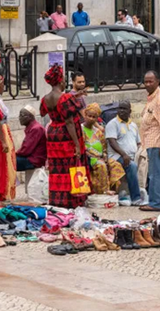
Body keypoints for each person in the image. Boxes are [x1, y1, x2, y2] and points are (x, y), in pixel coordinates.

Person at [40, 65, 86, 207]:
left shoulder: (46, 98)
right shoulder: (64, 97)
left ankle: (57, 199)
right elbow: (69, 122)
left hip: (53, 135)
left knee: (56, 169)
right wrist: (77, 145)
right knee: (70, 167)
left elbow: (43, 113)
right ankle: (71, 200)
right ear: (61, 81)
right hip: (66, 136)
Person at [139, 71, 160, 212]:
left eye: (150, 81)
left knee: (155, 174)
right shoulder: (153, 97)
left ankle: (155, 203)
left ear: (157, 81)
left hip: (157, 143)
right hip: (154, 141)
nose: (147, 84)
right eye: (145, 81)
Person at [105, 101, 143, 206]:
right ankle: (136, 198)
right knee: (132, 166)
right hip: (117, 156)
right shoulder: (112, 124)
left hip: (132, 156)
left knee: (149, 162)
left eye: (124, 109)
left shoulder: (133, 125)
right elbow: (112, 142)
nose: (121, 111)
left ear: (130, 111)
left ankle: (148, 193)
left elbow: (138, 142)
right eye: (120, 108)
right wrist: (124, 155)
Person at [83, 103, 125, 194]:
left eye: (94, 117)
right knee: (101, 165)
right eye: (89, 116)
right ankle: (104, 191)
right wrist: (95, 157)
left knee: (115, 164)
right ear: (85, 115)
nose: (91, 118)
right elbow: (82, 147)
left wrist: (105, 156)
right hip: (88, 157)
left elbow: (104, 147)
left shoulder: (98, 132)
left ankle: (114, 191)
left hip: (100, 156)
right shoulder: (80, 129)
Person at [15, 105, 47, 172]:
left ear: (30, 117)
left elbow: (26, 150)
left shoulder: (36, 129)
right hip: (30, 158)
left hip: (34, 160)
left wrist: (14, 154)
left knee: (7, 162)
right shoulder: (32, 127)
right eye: (19, 116)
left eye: (22, 115)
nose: (20, 118)